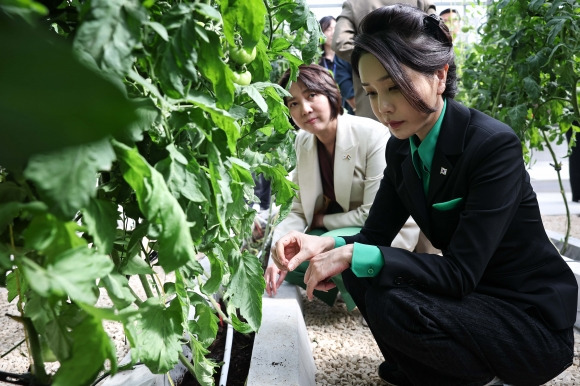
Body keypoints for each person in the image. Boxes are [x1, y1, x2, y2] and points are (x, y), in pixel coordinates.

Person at [272, 5, 577, 385]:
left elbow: (459, 273)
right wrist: (321, 245)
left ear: (440, 75)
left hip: (529, 321)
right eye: (371, 92)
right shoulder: (401, 150)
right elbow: (373, 236)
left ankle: (470, 376)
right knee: (360, 270)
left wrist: (350, 252)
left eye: (395, 86)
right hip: (474, 303)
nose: (383, 107)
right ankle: (432, 369)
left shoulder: (492, 146)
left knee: (388, 295)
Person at [264, 63, 422, 309]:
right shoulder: (303, 142)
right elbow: (295, 210)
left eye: (311, 95)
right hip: (340, 231)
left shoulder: (371, 135)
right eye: (293, 103)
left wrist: (321, 222)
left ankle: (367, 295)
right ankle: (345, 285)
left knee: (319, 247)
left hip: (381, 233)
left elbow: (374, 214)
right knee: (292, 255)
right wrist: (276, 253)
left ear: (330, 92)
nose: (304, 109)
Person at [332, 0, 436, 121]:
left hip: (374, 104)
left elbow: (340, 43)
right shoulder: (420, 1)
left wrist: (371, 59)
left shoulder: (355, 4)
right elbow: (437, 36)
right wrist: (407, 59)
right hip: (417, 93)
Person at [319, 16, 355, 115]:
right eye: (328, 29)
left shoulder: (345, 57)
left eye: (335, 28)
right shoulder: (317, 61)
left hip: (348, 107)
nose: (333, 33)